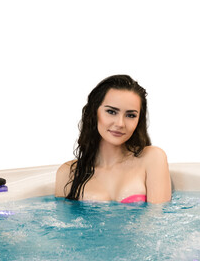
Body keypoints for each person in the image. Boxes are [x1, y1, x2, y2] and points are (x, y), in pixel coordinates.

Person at [55, 74, 171, 204]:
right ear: (94, 113)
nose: (120, 123)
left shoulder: (152, 158)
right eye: (111, 112)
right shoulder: (68, 173)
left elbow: (158, 214)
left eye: (131, 115)